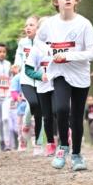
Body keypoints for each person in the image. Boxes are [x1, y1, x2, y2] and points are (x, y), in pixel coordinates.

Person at [34, 0, 93, 171]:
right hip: (59, 73)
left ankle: (77, 154)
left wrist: (68, 56)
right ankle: (63, 146)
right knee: (61, 109)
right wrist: (50, 55)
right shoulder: (50, 24)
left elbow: (92, 53)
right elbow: (38, 41)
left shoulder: (84, 24)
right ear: (56, 0)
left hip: (80, 75)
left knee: (77, 117)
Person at [25, 16, 57, 156]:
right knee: (47, 116)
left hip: (58, 84)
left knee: (59, 111)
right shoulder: (36, 49)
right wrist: (40, 76)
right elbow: (28, 70)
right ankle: (50, 143)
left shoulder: (58, 45)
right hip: (43, 87)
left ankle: (64, 138)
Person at [14, 17, 44, 153]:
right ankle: (26, 126)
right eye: (26, 25)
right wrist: (17, 65)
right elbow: (19, 57)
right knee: (33, 103)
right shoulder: (22, 43)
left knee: (39, 111)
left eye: (31, 25)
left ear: (38, 28)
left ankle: (38, 143)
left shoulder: (43, 43)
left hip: (41, 80)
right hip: (26, 79)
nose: (28, 27)